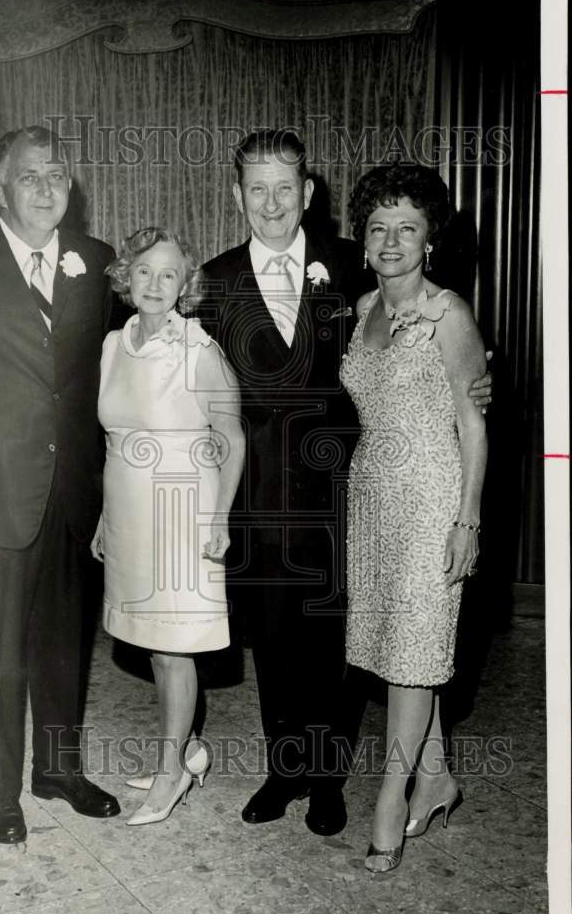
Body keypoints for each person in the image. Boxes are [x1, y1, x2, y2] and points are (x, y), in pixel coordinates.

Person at [199, 130, 493, 836]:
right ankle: (285, 768)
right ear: (238, 195)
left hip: (349, 491)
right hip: (259, 493)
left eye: (285, 188)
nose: (271, 203)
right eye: (256, 188)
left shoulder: (353, 265)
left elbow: (413, 326)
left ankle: (329, 779)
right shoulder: (210, 281)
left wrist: (474, 381)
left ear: (308, 193)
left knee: (339, 643)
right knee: (272, 639)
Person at [0, 125, 119, 845]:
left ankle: (56, 769)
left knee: (64, 637)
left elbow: (140, 341)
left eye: (57, 173)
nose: (46, 187)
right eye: (29, 176)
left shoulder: (97, 260)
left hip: (76, 485)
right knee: (2, 644)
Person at [340, 163, 487, 873]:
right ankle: (438, 780)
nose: (391, 240)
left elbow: (473, 421)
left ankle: (391, 800)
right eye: (378, 228)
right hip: (371, 497)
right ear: (363, 240)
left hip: (432, 496)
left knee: (414, 654)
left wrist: (469, 521)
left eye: (407, 228)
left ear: (431, 239)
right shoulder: (363, 307)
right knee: (397, 651)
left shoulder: (449, 313)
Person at [91, 227, 245, 826]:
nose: (155, 285)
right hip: (129, 511)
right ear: (126, 277)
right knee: (155, 646)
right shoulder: (113, 344)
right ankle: (187, 750)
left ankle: (171, 771)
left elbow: (231, 437)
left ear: (186, 286)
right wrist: (106, 514)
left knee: (175, 650)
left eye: (170, 275)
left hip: (183, 509)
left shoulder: (197, 350)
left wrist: (219, 517)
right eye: (145, 272)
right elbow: (114, 438)